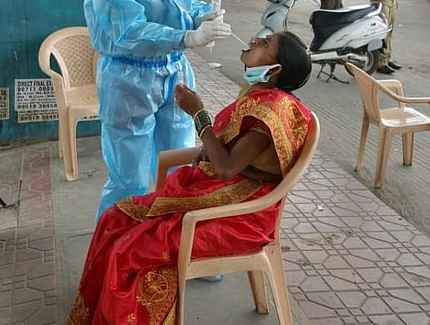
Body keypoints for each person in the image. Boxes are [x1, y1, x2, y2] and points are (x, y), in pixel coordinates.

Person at [66, 31, 314, 325]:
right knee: (113, 219)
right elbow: (242, 160)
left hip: (242, 217)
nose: (255, 39)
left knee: (129, 249)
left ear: (275, 71)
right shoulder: (257, 93)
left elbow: (227, 168)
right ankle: (94, 314)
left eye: (266, 44)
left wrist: (199, 114)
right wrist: (207, 150)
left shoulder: (272, 110)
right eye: (261, 37)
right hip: (221, 192)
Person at [84, 0, 231, 220]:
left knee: (180, 168)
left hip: (174, 71)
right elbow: (128, 32)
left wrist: (204, 16)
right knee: (129, 178)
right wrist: (187, 36)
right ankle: (115, 251)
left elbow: (189, 3)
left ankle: (175, 245)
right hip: (127, 79)